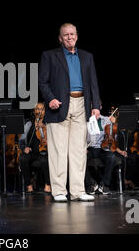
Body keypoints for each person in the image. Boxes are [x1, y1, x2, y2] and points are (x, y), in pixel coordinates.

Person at [39, 23, 101, 202]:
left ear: (77, 36)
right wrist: (50, 98)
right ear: (60, 38)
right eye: (65, 35)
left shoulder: (87, 57)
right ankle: (58, 191)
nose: (69, 37)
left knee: (79, 150)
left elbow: (93, 83)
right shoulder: (50, 56)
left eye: (72, 34)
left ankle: (78, 190)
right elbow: (42, 81)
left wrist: (95, 105)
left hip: (81, 104)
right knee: (59, 150)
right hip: (58, 105)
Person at [85, 105, 124, 195]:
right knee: (79, 159)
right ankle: (91, 184)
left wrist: (115, 124)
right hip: (88, 148)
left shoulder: (106, 119)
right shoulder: (84, 120)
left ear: (100, 107)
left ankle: (104, 184)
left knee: (111, 157)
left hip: (102, 147)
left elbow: (114, 137)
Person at [19, 102, 51, 194]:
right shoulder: (29, 124)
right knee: (23, 158)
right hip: (32, 152)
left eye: (42, 109)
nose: (39, 111)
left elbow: (54, 138)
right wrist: (24, 148)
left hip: (44, 152)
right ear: (34, 111)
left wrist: (44, 127)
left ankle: (48, 185)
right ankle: (29, 186)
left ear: (45, 111)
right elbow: (21, 140)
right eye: (37, 109)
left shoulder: (49, 124)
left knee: (45, 160)